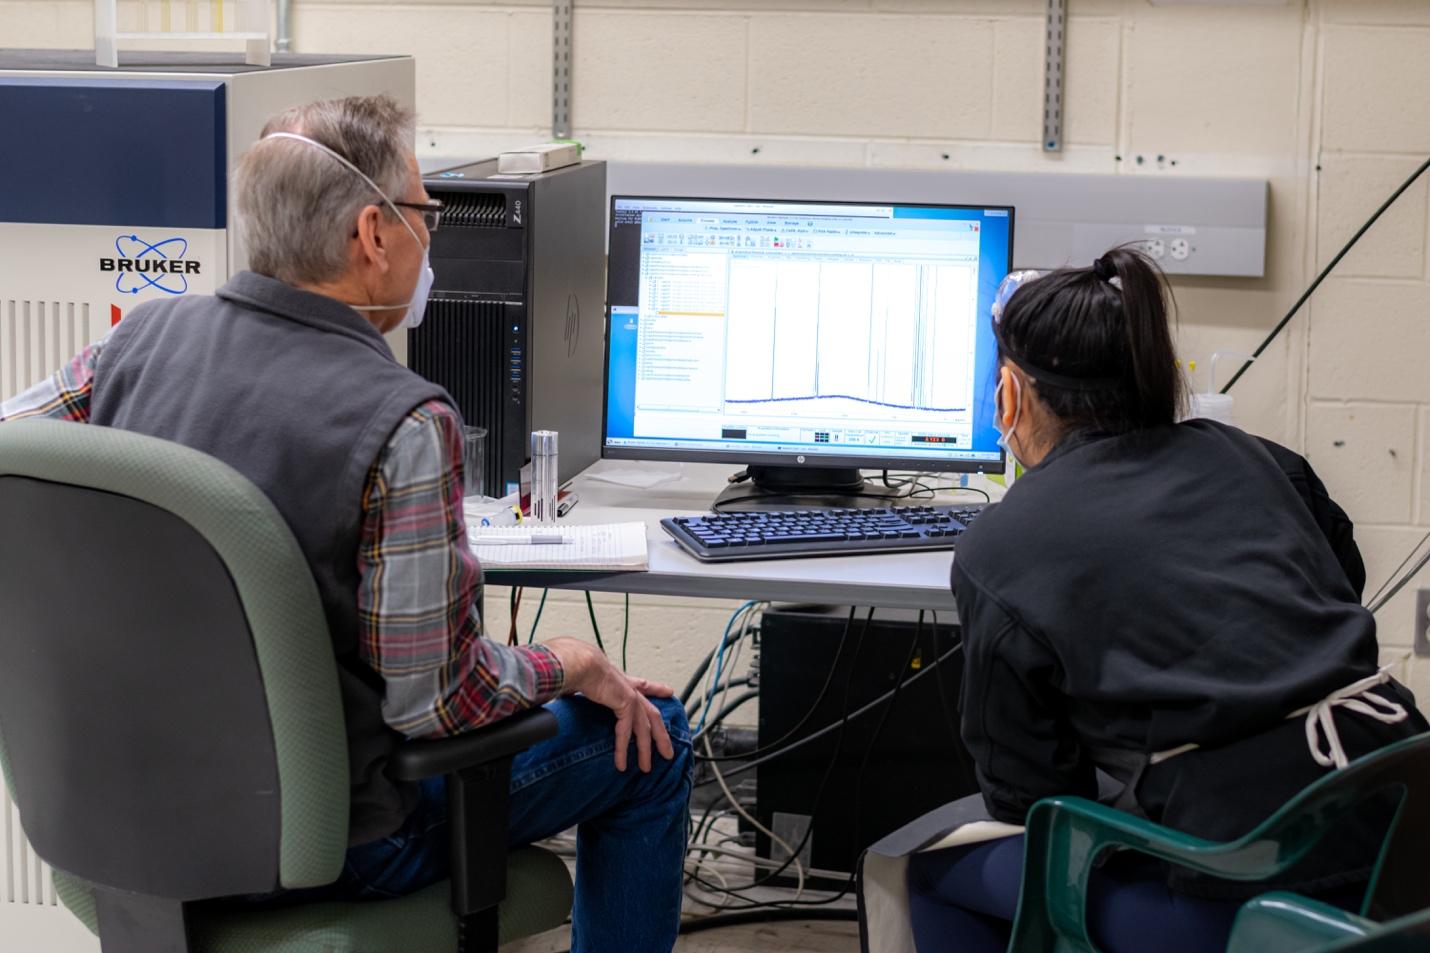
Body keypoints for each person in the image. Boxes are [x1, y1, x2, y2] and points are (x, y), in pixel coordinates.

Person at [0, 95, 691, 953]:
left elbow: (15, 457)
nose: (429, 239)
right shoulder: (404, 421)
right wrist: (572, 662)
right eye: (425, 215)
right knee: (655, 740)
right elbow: (438, 701)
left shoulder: (134, 342)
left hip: (121, 822)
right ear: (373, 234)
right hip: (329, 845)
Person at [901, 247, 1427, 953]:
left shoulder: (1003, 545)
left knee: (931, 866)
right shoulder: (1257, 458)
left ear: (1010, 394)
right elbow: (1338, 578)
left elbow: (1032, 800)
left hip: (1251, 887)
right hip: (1403, 821)